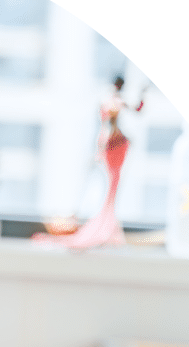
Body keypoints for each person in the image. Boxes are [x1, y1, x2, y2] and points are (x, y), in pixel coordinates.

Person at [36, 75, 144, 248]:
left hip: (114, 144)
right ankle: (103, 227)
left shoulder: (110, 102)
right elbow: (127, 112)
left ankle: (108, 227)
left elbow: (135, 110)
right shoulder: (112, 102)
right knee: (109, 186)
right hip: (112, 144)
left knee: (112, 187)